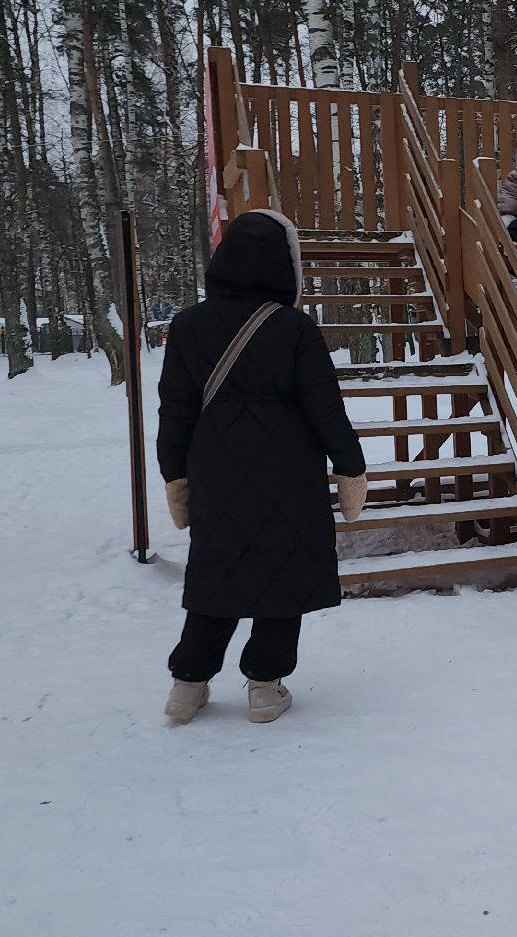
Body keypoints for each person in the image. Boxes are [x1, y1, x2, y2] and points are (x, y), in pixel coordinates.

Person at [156, 209, 368, 725]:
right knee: (283, 571)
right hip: (288, 474)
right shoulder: (294, 328)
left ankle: (187, 685)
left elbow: (175, 409)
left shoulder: (186, 326)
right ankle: (265, 689)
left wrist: (174, 475)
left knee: (216, 572)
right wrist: (350, 468)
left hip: (215, 472)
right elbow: (326, 409)